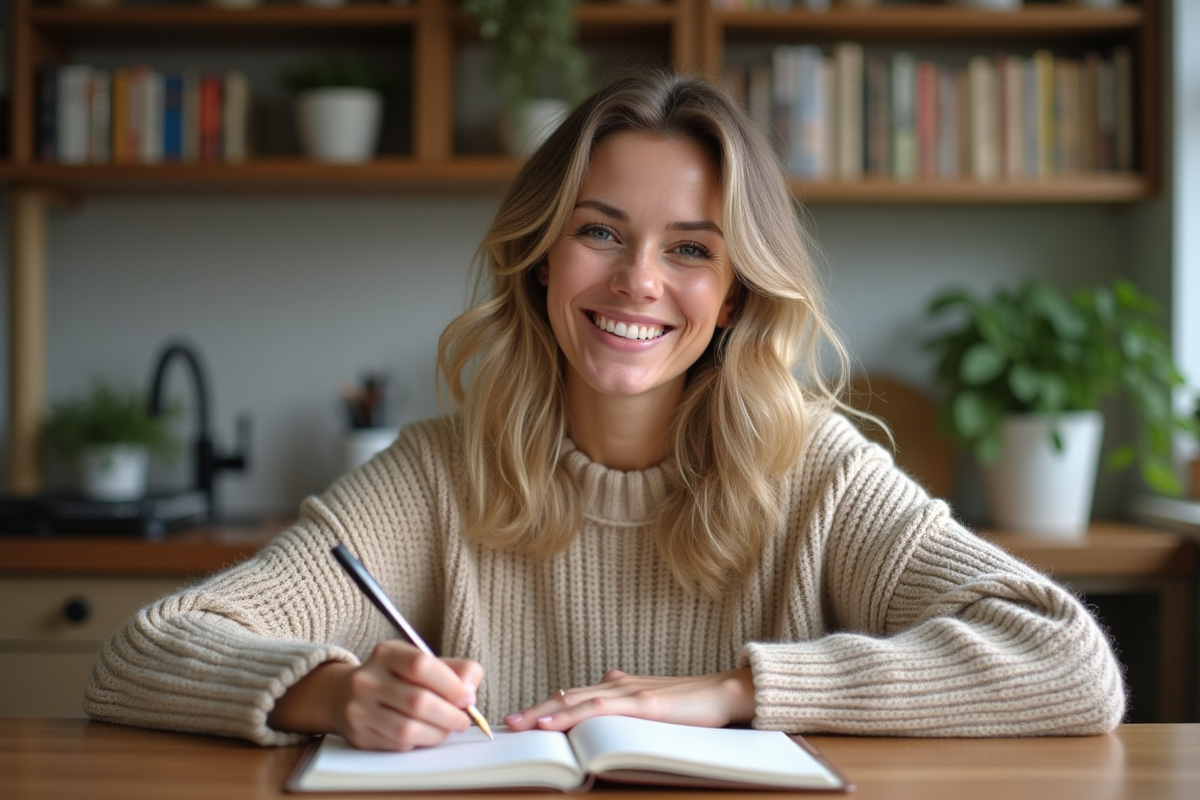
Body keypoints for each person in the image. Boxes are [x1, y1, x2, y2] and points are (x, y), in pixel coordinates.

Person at [85, 71, 1124, 750]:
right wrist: (329, 692)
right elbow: (148, 646)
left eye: (690, 248)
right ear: (539, 257)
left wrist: (731, 691)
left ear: (736, 295)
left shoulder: (820, 470)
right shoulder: (438, 471)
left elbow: (1066, 660)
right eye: (600, 231)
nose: (638, 281)